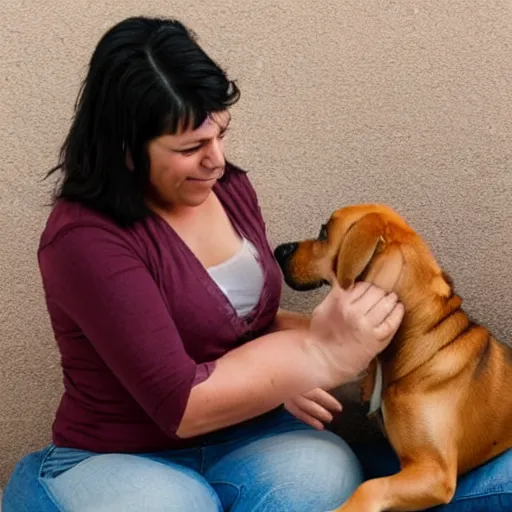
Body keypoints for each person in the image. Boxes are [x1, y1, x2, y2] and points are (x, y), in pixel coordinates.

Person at [3, 15, 510, 512]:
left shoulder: (226, 187)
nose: (217, 160)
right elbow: (180, 404)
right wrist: (317, 357)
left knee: (325, 476)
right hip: (125, 450)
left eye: (220, 134)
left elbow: (241, 323)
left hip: (247, 435)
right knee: (180, 505)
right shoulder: (85, 240)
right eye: (192, 147)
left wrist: (275, 381)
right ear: (128, 151)